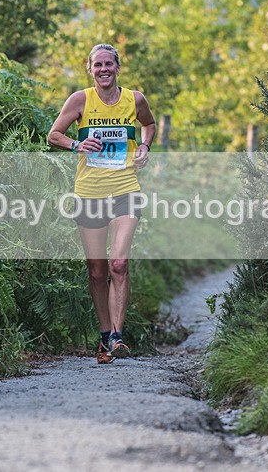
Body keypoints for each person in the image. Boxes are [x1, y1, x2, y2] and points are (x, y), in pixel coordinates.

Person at [48, 43, 156, 364]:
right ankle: (105, 334)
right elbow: (54, 135)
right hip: (89, 192)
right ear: (90, 69)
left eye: (109, 64)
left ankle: (118, 337)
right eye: (98, 65)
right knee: (96, 271)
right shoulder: (80, 100)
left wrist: (145, 147)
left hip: (126, 189)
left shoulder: (134, 99)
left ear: (118, 67)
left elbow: (149, 124)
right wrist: (77, 144)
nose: (104, 69)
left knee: (118, 264)